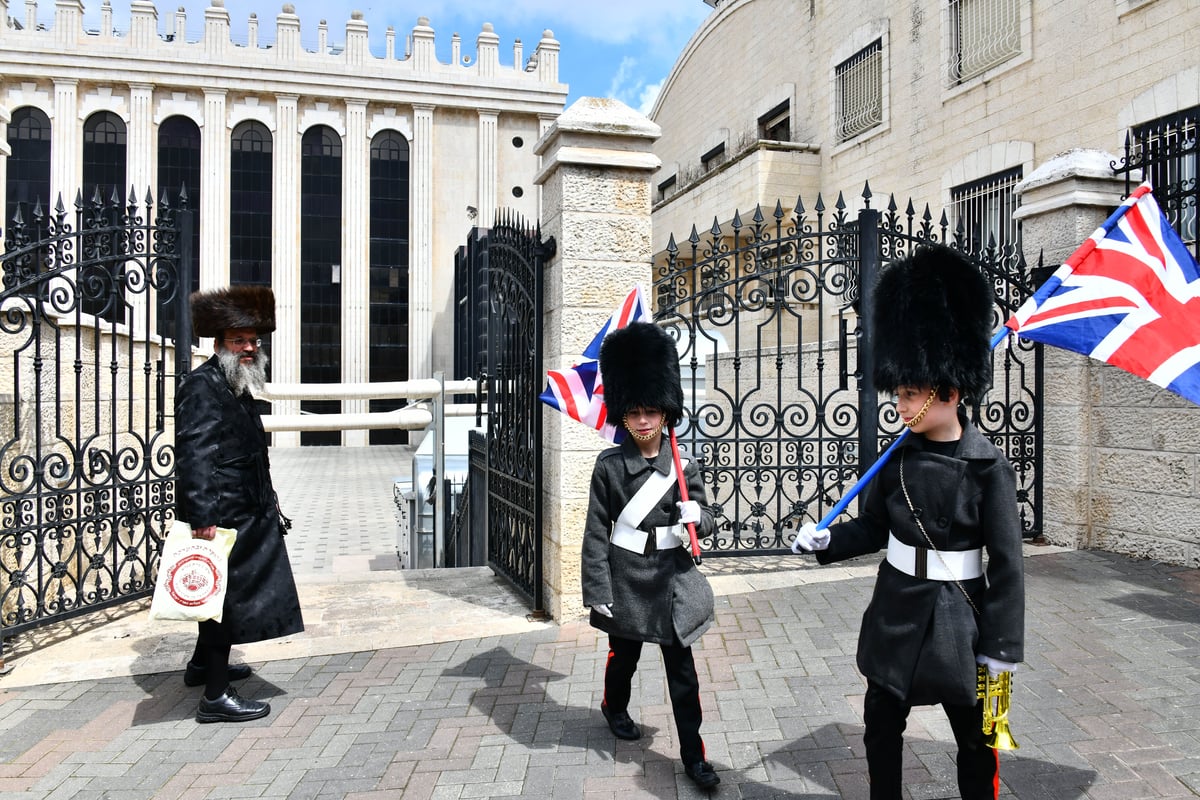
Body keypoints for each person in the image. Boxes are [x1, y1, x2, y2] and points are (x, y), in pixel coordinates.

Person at [791, 244, 1025, 800]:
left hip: (961, 623)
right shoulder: (893, 457)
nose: (900, 403)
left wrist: (1003, 649)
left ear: (948, 391)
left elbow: (1010, 566)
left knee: (981, 738)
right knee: (880, 728)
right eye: (898, 392)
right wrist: (828, 540)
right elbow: (874, 528)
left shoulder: (987, 466)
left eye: (912, 393)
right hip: (896, 613)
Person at [580, 321, 721, 790]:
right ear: (622, 414)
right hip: (627, 582)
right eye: (634, 412)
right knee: (624, 658)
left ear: (666, 412)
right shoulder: (610, 467)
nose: (643, 421)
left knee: (684, 676)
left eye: (651, 412)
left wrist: (697, 517)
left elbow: (708, 524)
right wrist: (597, 588)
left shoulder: (684, 465)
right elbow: (597, 533)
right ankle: (613, 706)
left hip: (671, 582)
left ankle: (693, 756)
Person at [174, 285, 304, 723]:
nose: (249, 348)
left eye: (253, 341)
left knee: (219, 595)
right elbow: (193, 451)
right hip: (222, 512)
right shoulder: (202, 385)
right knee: (222, 601)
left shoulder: (234, 381)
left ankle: (200, 666)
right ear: (220, 344)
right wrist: (202, 515)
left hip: (244, 507)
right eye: (239, 341)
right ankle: (215, 695)